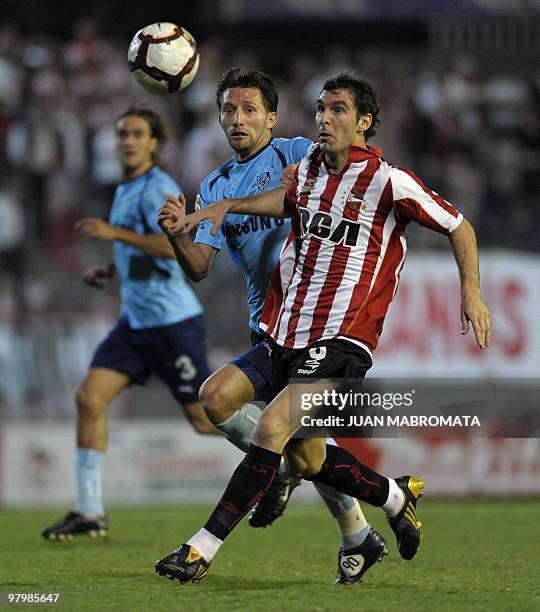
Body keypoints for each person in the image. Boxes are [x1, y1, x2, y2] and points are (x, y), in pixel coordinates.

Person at [155, 73, 491, 584]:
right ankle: (390, 500)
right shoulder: (303, 167)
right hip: (279, 325)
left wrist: (472, 291)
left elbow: (458, 224)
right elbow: (282, 205)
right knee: (232, 407)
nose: (324, 119)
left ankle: (200, 549)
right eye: (321, 109)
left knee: (273, 429)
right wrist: (215, 209)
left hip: (341, 338)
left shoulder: (379, 177)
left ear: (364, 121)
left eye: (337, 110)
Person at [42, 107, 217, 542]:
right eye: (122, 134)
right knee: (88, 399)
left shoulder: (158, 186)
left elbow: (171, 244)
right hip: (135, 323)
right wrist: (111, 269)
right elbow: (137, 250)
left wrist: (115, 237)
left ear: (155, 144)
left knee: (206, 420)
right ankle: (89, 510)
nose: (127, 141)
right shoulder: (126, 188)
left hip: (173, 323)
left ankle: (291, 446)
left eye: (137, 134)